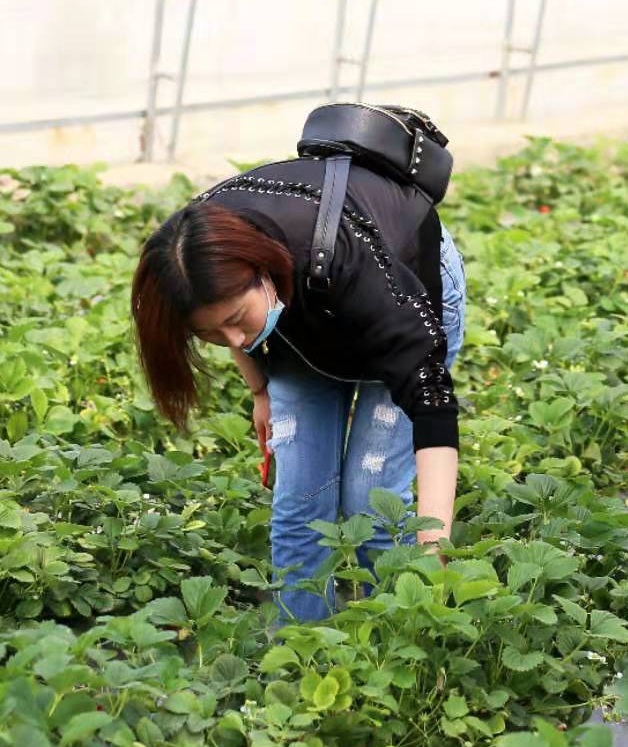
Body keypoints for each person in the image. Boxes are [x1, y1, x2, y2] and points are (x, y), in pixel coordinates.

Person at [132, 155, 466, 623]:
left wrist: (434, 546)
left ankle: (403, 633)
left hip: (400, 274)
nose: (234, 341)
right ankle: (301, 645)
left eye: (236, 320)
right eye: (209, 334)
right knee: (299, 506)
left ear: (262, 271)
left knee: (371, 501)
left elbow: (431, 408)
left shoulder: (357, 270)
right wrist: (260, 391)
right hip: (302, 302)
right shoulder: (196, 257)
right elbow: (229, 321)